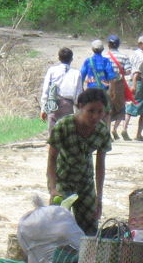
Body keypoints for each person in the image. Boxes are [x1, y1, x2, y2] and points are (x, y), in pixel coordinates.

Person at [46, 88, 112, 235]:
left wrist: (99, 197)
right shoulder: (64, 126)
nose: (95, 116)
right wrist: (53, 188)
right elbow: (51, 159)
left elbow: (100, 165)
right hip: (63, 180)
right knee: (58, 225)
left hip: (86, 182)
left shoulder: (102, 132)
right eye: (91, 111)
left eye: (100, 112)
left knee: (89, 229)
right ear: (80, 106)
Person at [40, 47, 83, 130]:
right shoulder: (76, 73)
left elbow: (46, 90)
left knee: (52, 133)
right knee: (66, 133)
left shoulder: (52, 71)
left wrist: (43, 108)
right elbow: (79, 94)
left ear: (59, 58)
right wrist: (78, 112)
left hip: (53, 104)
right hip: (68, 105)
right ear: (71, 59)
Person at [122, 35, 143, 141]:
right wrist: (135, 85)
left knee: (130, 105)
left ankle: (124, 128)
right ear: (140, 44)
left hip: (131, 81)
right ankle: (138, 135)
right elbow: (137, 72)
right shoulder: (142, 56)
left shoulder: (133, 54)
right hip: (139, 82)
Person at [105, 34, 132, 139]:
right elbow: (128, 71)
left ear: (108, 45)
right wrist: (121, 72)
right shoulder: (124, 57)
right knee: (121, 107)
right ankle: (114, 129)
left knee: (108, 108)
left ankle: (107, 131)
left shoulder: (105, 57)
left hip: (107, 85)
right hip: (119, 85)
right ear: (118, 45)